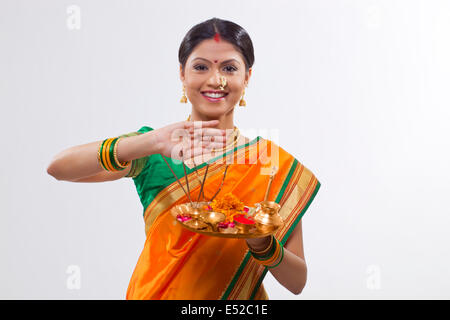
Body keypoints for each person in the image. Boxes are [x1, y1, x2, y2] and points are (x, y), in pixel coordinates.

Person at [47, 17, 321, 300]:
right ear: (182, 73)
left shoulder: (270, 162)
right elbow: (58, 168)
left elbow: (297, 282)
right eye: (201, 67)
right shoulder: (153, 149)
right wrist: (149, 142)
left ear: (247, 77)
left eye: (229, 68)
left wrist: (264, 244)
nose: (216, 80)